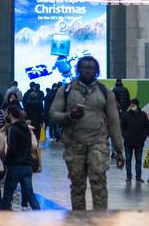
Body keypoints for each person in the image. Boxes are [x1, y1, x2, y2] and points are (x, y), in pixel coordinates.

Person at [48, 55, 125, 210]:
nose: (87, 70)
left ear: (96, 71)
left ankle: (100, 220)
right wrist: (69, 116)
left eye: (91, 67)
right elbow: (53, 114)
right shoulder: (66, 90)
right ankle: (78, 220)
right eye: (84, 67)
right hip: (74, 143)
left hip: (98, 142)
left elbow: (114, 121)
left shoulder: (105, 92)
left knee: (99, 183)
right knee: (77, 185)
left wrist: (119, 149)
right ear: (77, 70)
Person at [1, 104, 40, 210]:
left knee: (8, 194)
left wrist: (6, 162)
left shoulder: (13, 129)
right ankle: (40, 216)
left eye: (6, 113)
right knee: (30, 195)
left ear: (10, 114)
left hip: (15, 166)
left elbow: (11, 149)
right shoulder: (27, 129)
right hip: (27, 165)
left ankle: (2, 220)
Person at [119, 98, 149, 183]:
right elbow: (122, 127)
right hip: (128, 141)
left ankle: (138, 177)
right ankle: (129, 177)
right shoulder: (126, 115)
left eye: (133, 104)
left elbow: (147, 127)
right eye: (131, 104)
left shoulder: (143, 115)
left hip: (139, 141)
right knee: (128, 160)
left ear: (137, 105)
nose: (132, 105)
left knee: (139, 160)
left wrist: (144, 137)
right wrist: (125, 136)